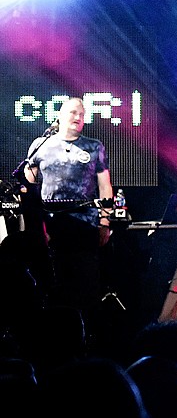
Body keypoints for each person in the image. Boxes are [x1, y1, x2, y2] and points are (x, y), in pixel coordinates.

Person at [22, 97, 114, 321]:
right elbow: (28, 186)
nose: (78, 118)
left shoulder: (94, 146)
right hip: (51, 224)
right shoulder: (41, 145)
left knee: (85, 282)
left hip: (84, 224)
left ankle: (86, 330)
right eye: (73, 113)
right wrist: (34, 224)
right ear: (60, 116)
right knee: (52, 281)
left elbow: (105, 186)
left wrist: (104, 222)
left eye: (82, 115)